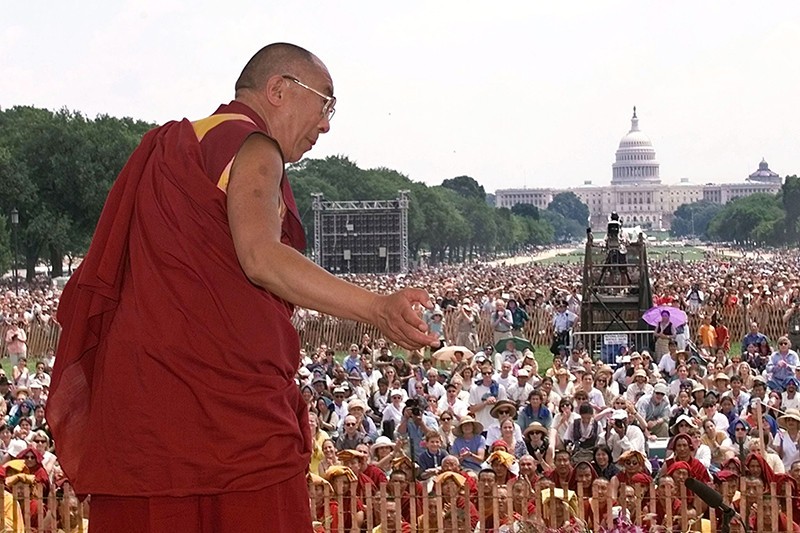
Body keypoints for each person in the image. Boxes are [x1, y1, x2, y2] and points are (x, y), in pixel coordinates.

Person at [48, 43, 439, 533]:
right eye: (326, 104)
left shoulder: (176, 146)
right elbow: (260, 257)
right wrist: (378, 308)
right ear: (279, 90)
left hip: (147, 412)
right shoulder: (252, 145)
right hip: (228, 424)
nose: (326, 125)